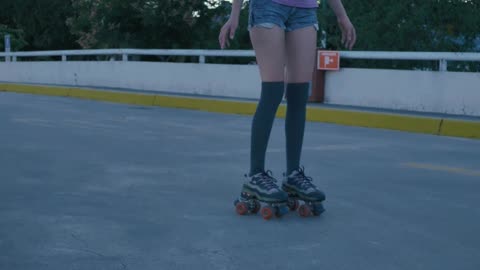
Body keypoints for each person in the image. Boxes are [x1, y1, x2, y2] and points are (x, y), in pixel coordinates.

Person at [219, 0, 356, 216]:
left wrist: (342, 15)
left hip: (305, 9)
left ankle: (293, 175)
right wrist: (235, 13)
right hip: (267, 7)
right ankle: (256, 175)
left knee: (299, 95)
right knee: (273, 91)